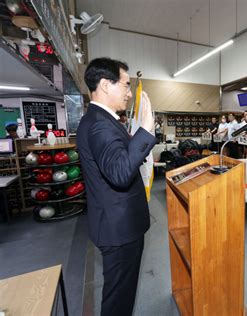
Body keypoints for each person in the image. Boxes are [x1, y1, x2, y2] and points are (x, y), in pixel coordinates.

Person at [77, 57, 156, 315]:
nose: (129, 93)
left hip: (115, 224)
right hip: (119, 230)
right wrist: (146, 131)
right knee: (118, 300)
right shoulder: (100, 125)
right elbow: (121, 173)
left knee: (121, 294)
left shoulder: (103, 120)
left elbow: (117, 161)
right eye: (125, 85)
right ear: (105, 85)